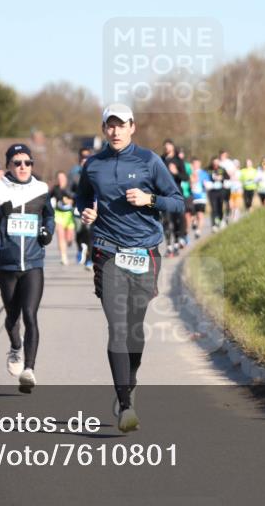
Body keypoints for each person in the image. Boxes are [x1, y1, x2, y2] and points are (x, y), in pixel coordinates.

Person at [77, 104, 184, 432]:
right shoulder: (93, 165)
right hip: (108, 251)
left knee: (135, 328)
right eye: (110, 125)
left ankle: (130, 381)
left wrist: (150, 200)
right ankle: (125, 405)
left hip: (145, 253)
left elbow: (178, 202)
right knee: (118, 328)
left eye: (121, 125)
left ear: (132, 127)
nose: (115, 131)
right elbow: (80, 198)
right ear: (104, 128)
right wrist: (85, 213)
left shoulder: (150, 161)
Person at [0, 144, 55, 390]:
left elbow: (49, 215)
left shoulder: (40, 189)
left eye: (27, 162)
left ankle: (29, 369)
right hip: (7, 264)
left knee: (30, 315)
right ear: (8, 165)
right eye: (17, 163)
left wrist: (47, 231)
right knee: (12, 316)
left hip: (33, 263)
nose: (22, 167)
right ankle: (15, 348)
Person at [50, 171, 77, 265]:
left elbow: (77, 197)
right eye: (59, 178)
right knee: (60, 236)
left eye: (62, 178)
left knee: (69, 237)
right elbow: (48, 199)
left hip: (69, 215)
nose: (61, 180)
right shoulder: (55, 188)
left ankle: (69, 241)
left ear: (66, 178)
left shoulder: (71, 187)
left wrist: (71, 201)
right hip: (59, 214)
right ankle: (63, 256)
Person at [206, 156, 229, 231]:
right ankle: (214, 224)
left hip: (220, 191)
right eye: (214, 162)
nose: (215, 164)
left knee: (220, 206)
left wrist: (221, 178)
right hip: (212, 191)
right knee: (213, 208)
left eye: (217, 162)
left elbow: (227, 177)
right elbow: (205, 178)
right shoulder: (208, 169)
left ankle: (221, 219)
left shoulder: (222, 169)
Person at [188, 158, 209, 238]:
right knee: (192, 215)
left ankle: (198, 231)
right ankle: (194, 222)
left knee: (200, 215)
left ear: (199, 164)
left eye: (197, 164)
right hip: (191, 197)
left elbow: (207, 184)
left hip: (201, 197)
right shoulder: (189, 173)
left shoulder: (204, 173)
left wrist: (206, 184)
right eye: (194, 164)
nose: (195, 165)